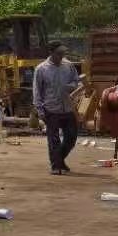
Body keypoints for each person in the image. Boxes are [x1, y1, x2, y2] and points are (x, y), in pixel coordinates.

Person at [33, 41, 81, 174]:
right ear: (51, 53)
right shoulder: (41, 69)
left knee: (71, 137)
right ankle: (56, 166)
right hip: (51, 108)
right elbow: (37, 91)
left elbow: (76, 81)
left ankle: (58, 161)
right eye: (59, 53)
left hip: (68, 107)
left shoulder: (68, 66)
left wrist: (70, 86)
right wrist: (39, 110)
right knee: (54, 139)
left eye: (63, 53)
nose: (62, 56)